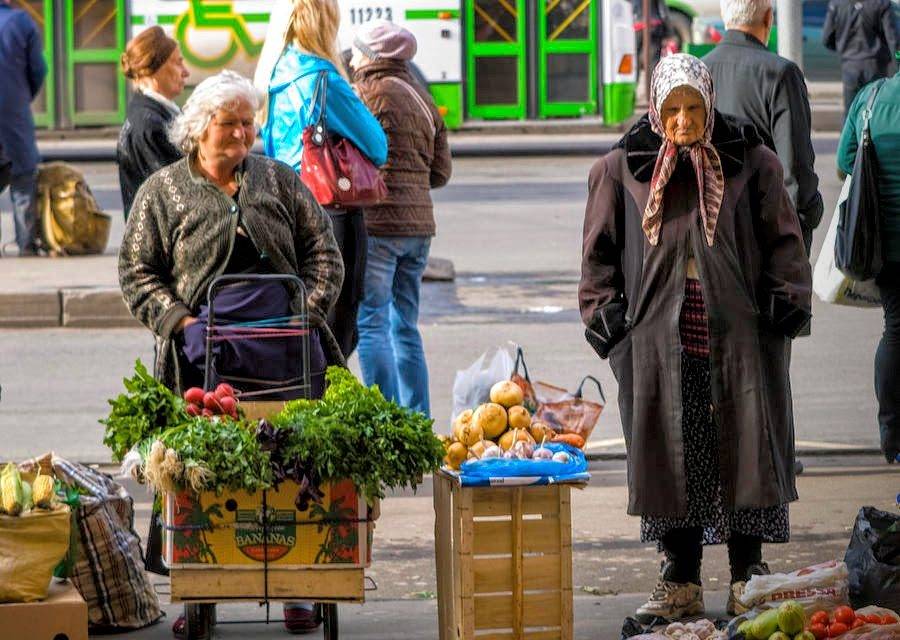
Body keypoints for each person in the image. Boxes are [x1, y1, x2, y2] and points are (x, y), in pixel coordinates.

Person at [579, 54, 811, 622]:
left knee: (746, 448)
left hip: (741, 338)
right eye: (672, 109)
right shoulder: (621, 169)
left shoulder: (752, 162)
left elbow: (786, 244)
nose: (682, 121)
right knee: (673, 453)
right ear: (655, 111)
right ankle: (680, 578)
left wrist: (782, 307)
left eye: (693, 108)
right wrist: (611, 325)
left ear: (709, 105)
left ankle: (747, 576)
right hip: (658, 342)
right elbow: (597, 258)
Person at [118, 70, 344, 635]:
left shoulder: (278, 180)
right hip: (202, 360)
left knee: (293, 470)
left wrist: (305, 316)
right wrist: (182, 322)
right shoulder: (163, 191)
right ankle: (201, 594)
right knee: (200, 475)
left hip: (286, 357)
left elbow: (325, 253)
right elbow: (136, 271)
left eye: (249, 124)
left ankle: (298, 587)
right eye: (230, 124)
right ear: (199, 128)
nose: (243, 134)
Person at [260, 0, 388, 359]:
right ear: (325, 25)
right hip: (332, 210)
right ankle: (327, 390)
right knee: (338, 322)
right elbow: (378, 146)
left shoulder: (273, 77)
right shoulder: (323, 79)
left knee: (304, 315)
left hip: (286, 207)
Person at [350, 20, 452, 416]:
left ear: (371, 56)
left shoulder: (363, 94)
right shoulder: (423, 98)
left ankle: (387, 418)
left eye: (357, 52)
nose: (352, 59)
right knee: (405, 326)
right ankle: (417, 417)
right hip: (419, 229)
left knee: (372, 323)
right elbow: (441, 173)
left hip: (379, 225)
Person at [704, 0, 824, 255]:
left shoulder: (701, 70)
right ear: (769, 18)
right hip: (767, 232)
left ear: (725, 16)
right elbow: (795, 170)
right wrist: (807, 215)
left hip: (712, 234)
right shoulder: (782, 73)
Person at [837, 64, 900, 465]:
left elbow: (846, 160)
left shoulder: (871, 97)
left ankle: (891, 430)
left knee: (895, 329)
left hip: (884, 242)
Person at [117, 26, 188, 219]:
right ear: (155, 68)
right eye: (178, 63)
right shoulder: (149, 126)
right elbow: (176, 196)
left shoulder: (154, 114)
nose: (186, 72)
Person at [0, 0, 46, 256]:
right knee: (23, 178)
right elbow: (38, 69)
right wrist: (20, 96)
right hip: (12, 115)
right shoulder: (20, 21)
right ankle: (26, 244)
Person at [824, 0, 899, 115]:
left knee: (851, 113)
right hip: (876, 66)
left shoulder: (837, 4)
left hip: (850, 65)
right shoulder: (882, 3)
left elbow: (826, 39)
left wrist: (843, 49)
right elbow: (893, 41)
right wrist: (898, 62)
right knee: (875, 112)